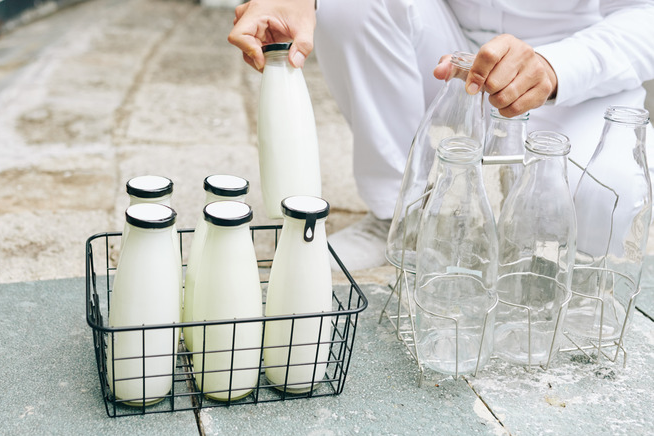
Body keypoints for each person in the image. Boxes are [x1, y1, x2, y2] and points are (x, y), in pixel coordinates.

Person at [229, 0, 654, 271]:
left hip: (574, 64)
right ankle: (397, 214)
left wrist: (555, 65)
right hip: (446, 47)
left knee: (605, 199)